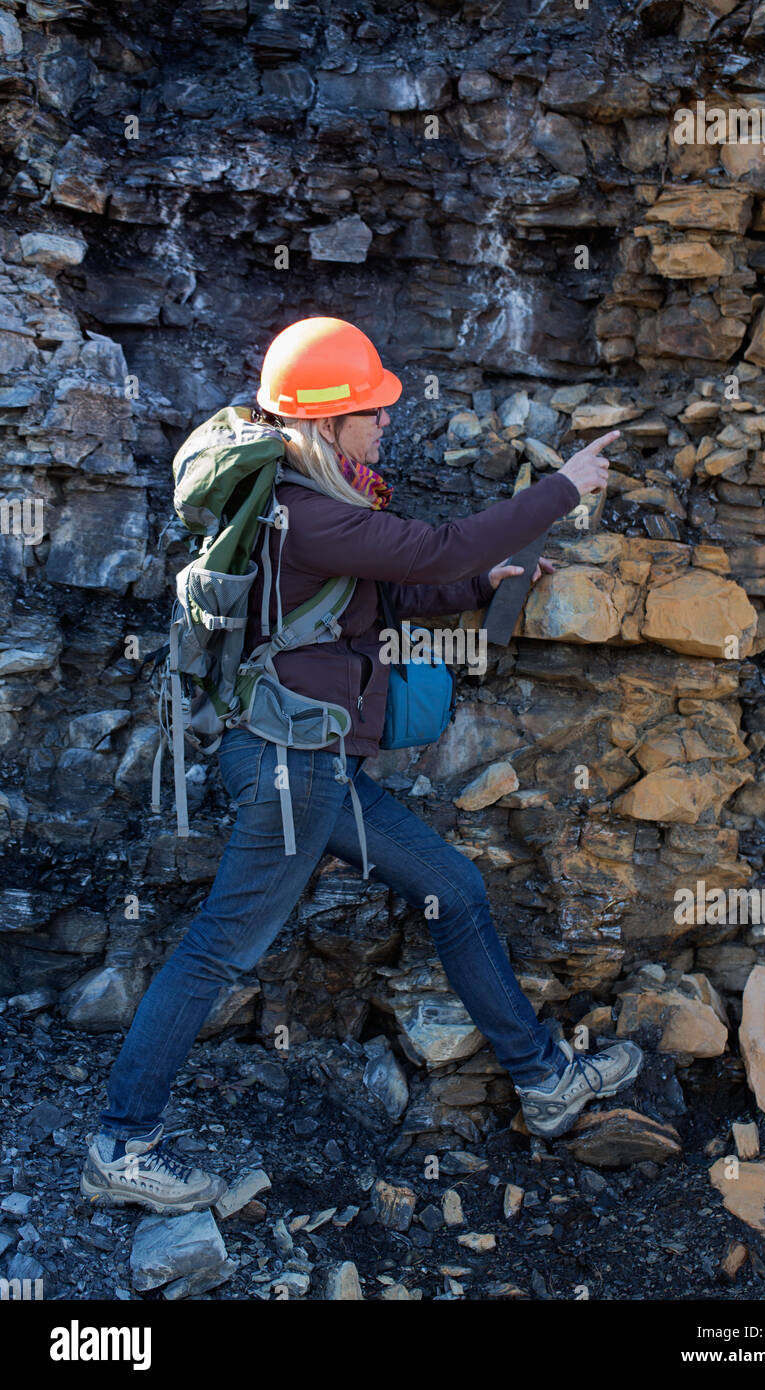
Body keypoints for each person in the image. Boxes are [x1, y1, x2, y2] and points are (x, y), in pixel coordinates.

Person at [81, 317, 642, 1214]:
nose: (387, 420)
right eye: (372, 409)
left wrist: (481, 586)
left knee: (453, 890)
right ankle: (121, 1144)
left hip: (308, 762)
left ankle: (545, 1082)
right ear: (327, 419)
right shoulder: (306, 513)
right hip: (291, 770)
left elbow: (402, 582)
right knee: (218, 951)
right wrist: (561, 489)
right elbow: (434, 547)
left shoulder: (306, 506)